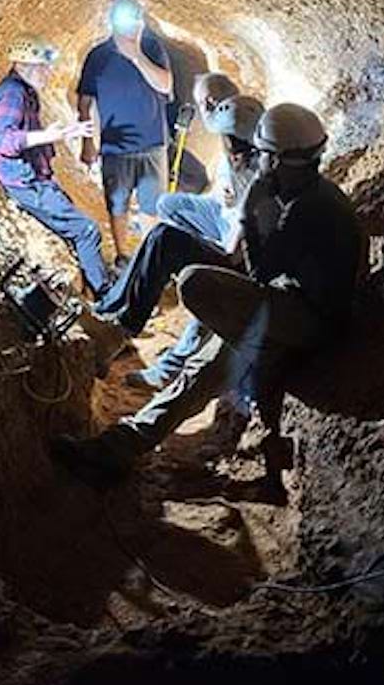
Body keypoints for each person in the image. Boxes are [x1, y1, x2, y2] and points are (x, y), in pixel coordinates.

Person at [51, 103, 364, 493]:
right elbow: (259, 269)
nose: (259, 160)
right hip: (284, 301)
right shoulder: (296, 193)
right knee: (203, 346)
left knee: (200, 296)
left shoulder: (311, 209)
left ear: (279, 158)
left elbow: (259, 272)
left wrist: (252, 210)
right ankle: (119, 442)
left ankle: (118, 448)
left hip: (308, 319)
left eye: (265, 154)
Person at [101, 93, 265, 390]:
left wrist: (198, 249)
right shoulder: (246, 161)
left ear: (231, 140)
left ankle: (130, 334)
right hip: (234, 236)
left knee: (171, 247)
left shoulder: (259, 181)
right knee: (165, 220)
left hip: (246, 266)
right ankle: (110, 309)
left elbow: (234, 254)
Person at [0, 34, 109, 296]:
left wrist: (63, 132)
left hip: (35, 178)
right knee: (86, 231)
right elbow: (0, 140)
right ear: (23, 64)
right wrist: (48, 136)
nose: (48, 72)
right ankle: (107, 299)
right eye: (43, 66)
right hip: (25, 183)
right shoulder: (12, 93)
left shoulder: (26, 92)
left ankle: (93, 285)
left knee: (74, 220)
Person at [77, 0, 173, 267]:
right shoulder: (98, 56)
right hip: (115, 149)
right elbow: (84, 101)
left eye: (132, 19)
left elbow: (165, 85)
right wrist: (88, 142)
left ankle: (149, 260)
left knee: (151, 207)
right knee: (117, 204)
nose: (128, 26)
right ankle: (122, 257)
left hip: (153, 145)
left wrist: (136, 56)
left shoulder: (153, 49)